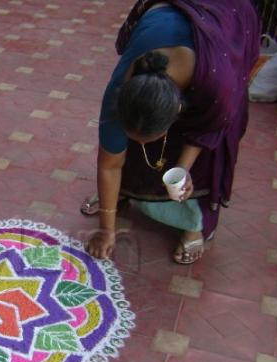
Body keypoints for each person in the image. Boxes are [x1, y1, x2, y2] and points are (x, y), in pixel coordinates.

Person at [84, 0, 260, 264]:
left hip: (228, 16)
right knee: (133, 142)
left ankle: (194, 223)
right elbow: (110, 164)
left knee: (208, 154)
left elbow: (206, 127)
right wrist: (105, 230)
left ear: (179, 110)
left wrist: (184, 168)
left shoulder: (218, 87)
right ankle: (124, 194)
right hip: (167, 15)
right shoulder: (120, 92)